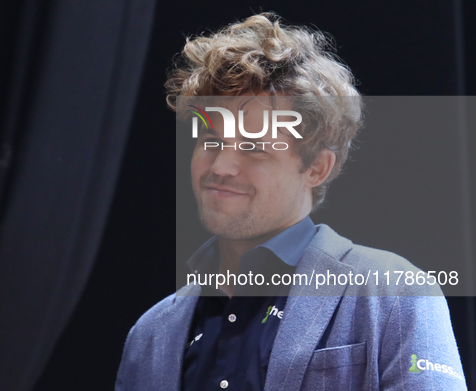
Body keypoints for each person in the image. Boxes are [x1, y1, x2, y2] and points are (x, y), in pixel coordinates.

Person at [115, 12, 467, 390]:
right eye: (211, 141)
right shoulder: (150, 334)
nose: (221, 166)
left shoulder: (395, 293)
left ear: (317, 167)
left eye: (253, 147)